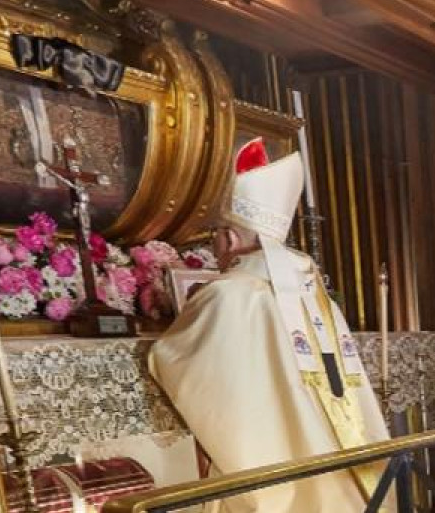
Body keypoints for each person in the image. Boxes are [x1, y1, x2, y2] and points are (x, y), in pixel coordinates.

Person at [150, 138, 391, 512]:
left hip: (276, 468)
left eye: (216, 232)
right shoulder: (314, 289)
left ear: (229, 238)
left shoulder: (229, 294)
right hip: (338, 465)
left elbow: (173, 359)